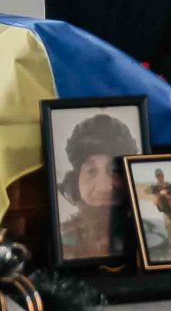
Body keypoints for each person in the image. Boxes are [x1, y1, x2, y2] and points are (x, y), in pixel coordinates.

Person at [54, 111, 134, 262]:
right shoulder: (62, 242)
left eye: (114, 171)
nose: (104, 187)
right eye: (91, 171)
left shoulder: (151, 237)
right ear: (74, 181)